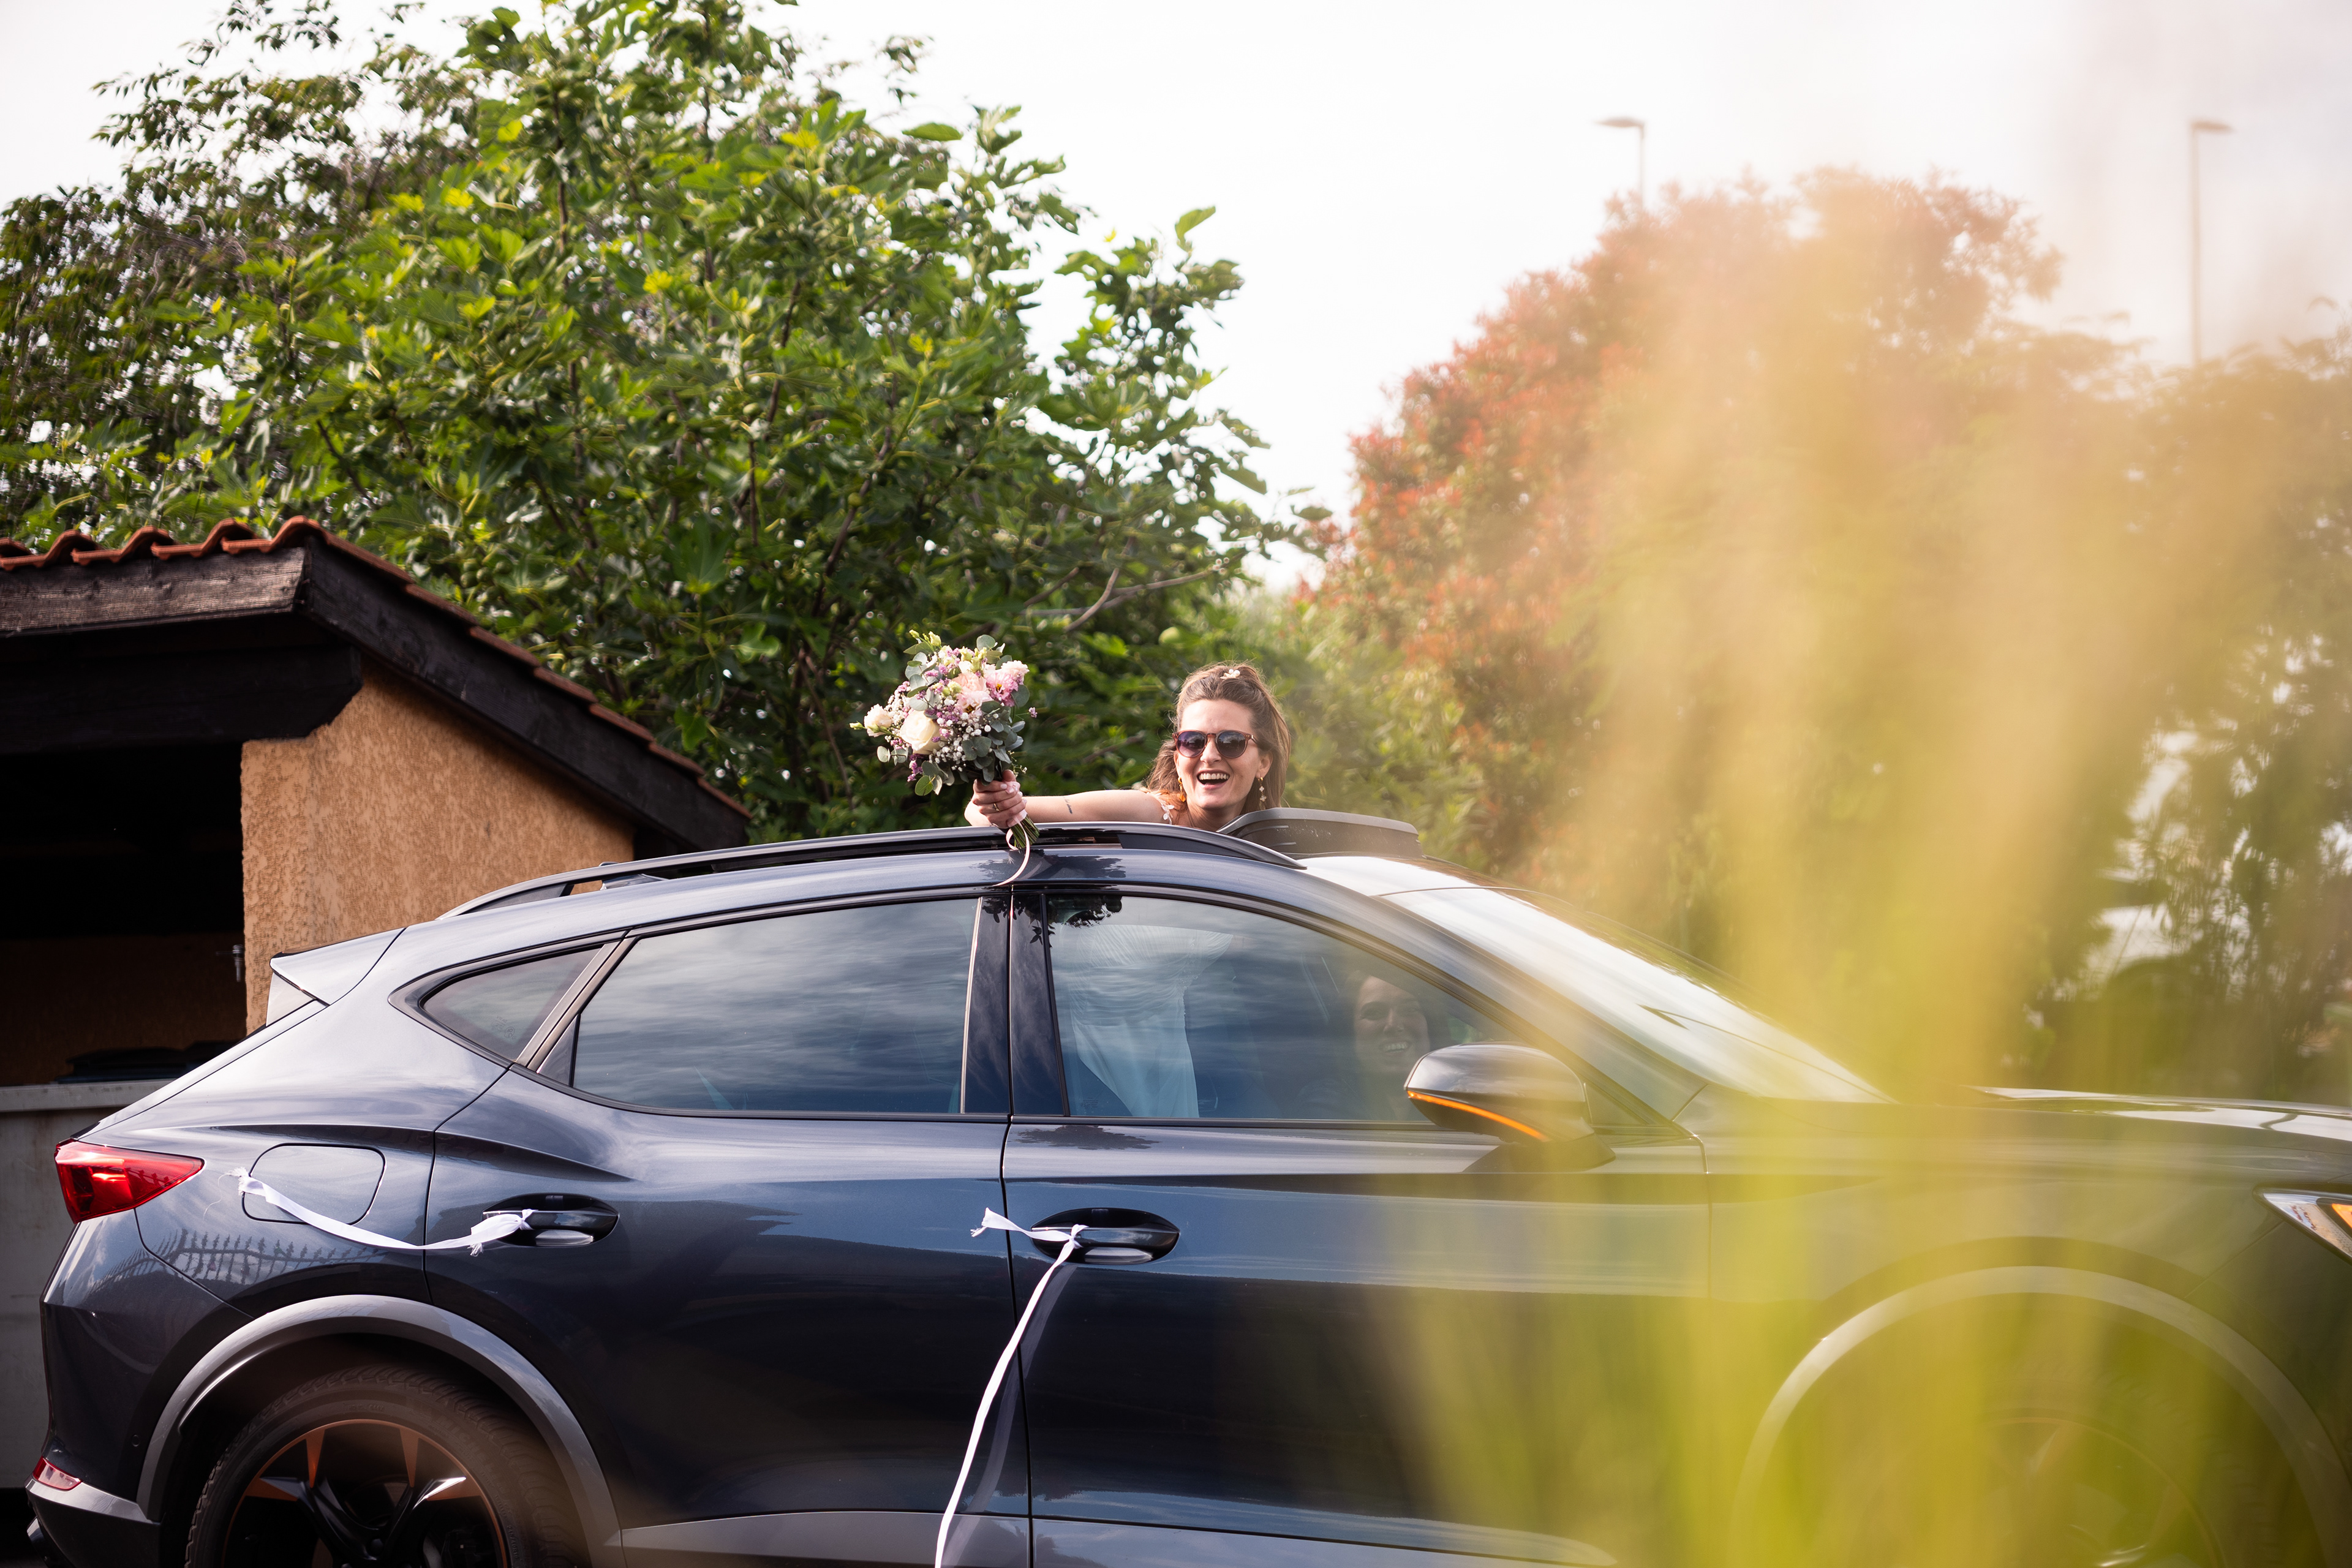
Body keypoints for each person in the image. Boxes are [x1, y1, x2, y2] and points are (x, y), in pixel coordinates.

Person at [967, 662, 1293, 835]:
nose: (1209, 756)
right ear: (1178, 757)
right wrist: (1002, 804)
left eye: (1231, 741)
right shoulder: (1150, 815)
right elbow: (980, 815)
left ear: (1264, 762)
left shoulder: (1286, 844)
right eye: (1193, 741)